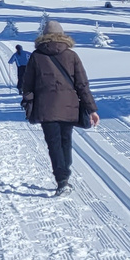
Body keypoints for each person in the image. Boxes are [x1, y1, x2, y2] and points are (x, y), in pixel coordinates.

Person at [17, 19, 99, 195]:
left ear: (44, 36)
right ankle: (65, 175)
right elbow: (82, 85)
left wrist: (28, 100)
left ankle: (61, 180)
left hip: (46, 108)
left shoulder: (36, 57)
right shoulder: (72, 56)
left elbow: (27, 85)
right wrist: (92, 109)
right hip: (69, 107)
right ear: (62, 36)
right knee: (65, 141)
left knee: (53, 144)